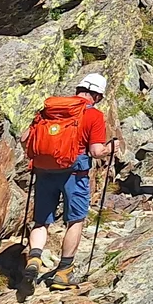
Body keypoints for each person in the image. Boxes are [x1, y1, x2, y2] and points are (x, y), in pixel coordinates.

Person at [23, 73, 113, 290]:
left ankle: (34, 257)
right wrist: (111, 148)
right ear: (97, 95)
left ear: (78, 89)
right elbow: (96, 151)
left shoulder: (49, 110)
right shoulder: (94, 115)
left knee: (41, 221)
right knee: (76, 220)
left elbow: (25, 138)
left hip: (44, 170)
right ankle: (63, 273)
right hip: (75, 173)